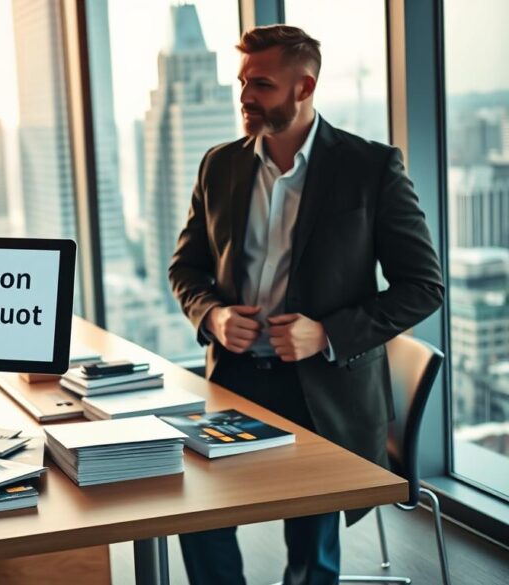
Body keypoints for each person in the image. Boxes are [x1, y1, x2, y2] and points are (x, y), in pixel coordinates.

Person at [168, 25, 444, 585]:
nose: (246, 96)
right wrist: (213, 315)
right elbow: (186, 269)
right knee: (196, 515)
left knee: (311, 551)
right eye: (243, 82)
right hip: (233, 381)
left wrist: (327, 333)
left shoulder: (370, 168)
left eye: (262, 84)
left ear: (305, 87)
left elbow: (423, 286)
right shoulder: (219, 165)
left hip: (325, 393)